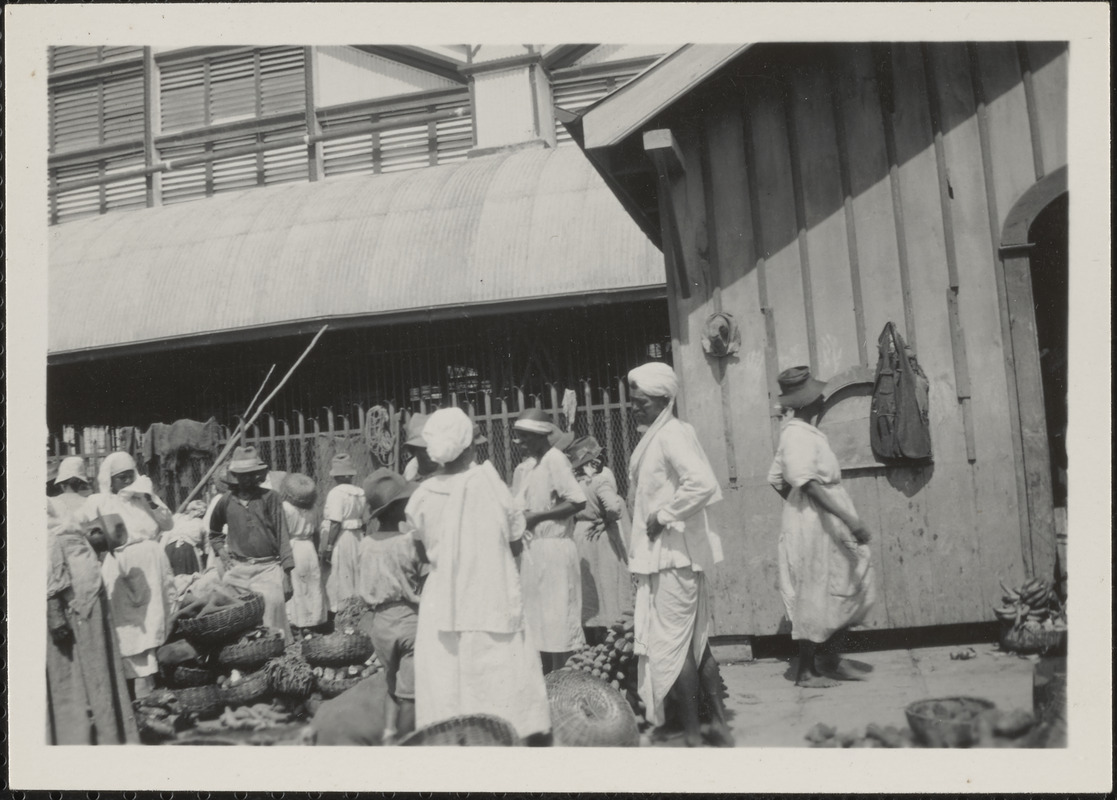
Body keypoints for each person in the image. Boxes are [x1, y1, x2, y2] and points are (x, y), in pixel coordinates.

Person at [405, 407, 551, 743]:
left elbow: (421, 554)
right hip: (492, 597)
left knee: (447, 684)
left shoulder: (422, 497)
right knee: (498, 684)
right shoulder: (491, 485)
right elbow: (515, 541)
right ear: (470, 445)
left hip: (444, 604)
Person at [626, 362, 733, 747]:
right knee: (692, 642)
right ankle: (716, 725)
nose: (634, 408)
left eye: (642, 402)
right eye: (633, 402)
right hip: (666, 557)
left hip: (673, 556)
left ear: (663, 400)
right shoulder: (660, 435)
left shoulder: (671, 434)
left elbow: (702, 483)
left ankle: (692, 732)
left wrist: (664, 515)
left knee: (672, 647)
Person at [767, 366, 876, 687]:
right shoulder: (796, 434)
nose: (823, 399)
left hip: (819, 516)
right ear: (806, 402)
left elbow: (776, 478)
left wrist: (797, 504)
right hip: (818, 522)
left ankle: (829, 659)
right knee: (814, 592)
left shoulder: (804, 431)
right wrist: (842, 517)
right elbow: (808, 483)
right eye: (817, 396)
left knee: (848, 580)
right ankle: (805, 671)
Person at [71, 452, 176, 699]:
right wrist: (95, 538)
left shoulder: (144, 499)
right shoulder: (100, 501)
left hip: (153, 564)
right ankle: (127, 689)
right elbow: (76, 524)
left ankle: (158, 683)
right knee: (126, 626)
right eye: (121, 478)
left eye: (131, 475)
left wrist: (149, 498)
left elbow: (168, 524)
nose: (128, 481)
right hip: (120, 566)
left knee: (157, 620)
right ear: (111, 480)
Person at [47, 498, 140, 744]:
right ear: (95, 531)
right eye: (101, 545)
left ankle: (104, 733)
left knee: (94, 675)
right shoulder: (63, 534)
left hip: (83, 615)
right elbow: (51, 569)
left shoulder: (78, 540)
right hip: (70, 614)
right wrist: (54, 609)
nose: (100, 551)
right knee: (71, 678)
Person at [510, 408, 588, 673]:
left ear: (539, 436)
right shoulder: (531, 467)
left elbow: (577, 500)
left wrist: (538, 518)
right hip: (534, 554)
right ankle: (547, 686)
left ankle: (564, 685)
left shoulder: (555, 459)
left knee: (558, 626)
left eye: (523, 437)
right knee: (539, 627)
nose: (518, 443)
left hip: (554, 551)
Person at [356, 468, 422, 744]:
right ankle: (409, 739)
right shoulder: (408, 542)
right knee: (411, 690)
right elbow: (422, 574)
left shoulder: (366, 544)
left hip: (380, 622)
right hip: (409, 618)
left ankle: (388, 733)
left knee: (391, 684)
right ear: (400, 508)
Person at [207, 446, 295, 644]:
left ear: (258, 475)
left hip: (268, 567)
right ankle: (240, 656)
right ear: (234, 475)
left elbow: (282, 536)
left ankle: (275, 656)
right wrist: (221, 551)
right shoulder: (226, 501)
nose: (246, 479)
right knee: (228, 611)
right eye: (241, 475)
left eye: (250, 474)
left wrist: (287, 574)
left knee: (273, 608)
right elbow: (214, 532)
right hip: (238, 568)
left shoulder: (270, 498)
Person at [567, 436, 634, 642]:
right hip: (601, 536)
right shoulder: (600, 479)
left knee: (588, 586)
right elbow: (613, 506)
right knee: (607, 583)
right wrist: (607, 518)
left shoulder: (574, 482)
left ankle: (592, 634)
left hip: (581, 533)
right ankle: (610, 631)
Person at [280, 473, 328, 634]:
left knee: (297, 585)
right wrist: (315, 550)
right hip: (308, 548)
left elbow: (283, 533)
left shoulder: (285, 507)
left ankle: (298, 622)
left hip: (293, 547)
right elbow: (316, 532)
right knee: (312, 584)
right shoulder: (313, 508)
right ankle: (314, 621)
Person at [320, 453, 366, 613]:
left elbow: (335, 523)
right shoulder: (360, 492)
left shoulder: (336, 493)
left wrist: (329, 545)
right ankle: (358, 607)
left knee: (341, 572)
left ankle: (343, 609)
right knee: (356, 571)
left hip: (342, 536)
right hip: (358, 535)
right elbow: (364, 519)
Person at [162, 499, 208, 579]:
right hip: (186, 550)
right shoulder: (202, 523)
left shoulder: (176, 517)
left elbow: (166, 534)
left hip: (170, 548)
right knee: (186, 579)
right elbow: (207, 547)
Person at [401, 413, 437, 483]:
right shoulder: (413, 467)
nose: (430, 453)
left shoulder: (448, 467)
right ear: (414, 451)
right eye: (424, 449)